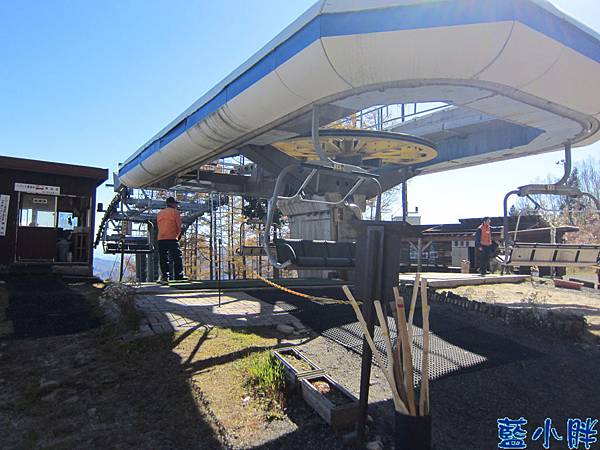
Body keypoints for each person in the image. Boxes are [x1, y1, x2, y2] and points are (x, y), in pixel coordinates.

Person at [157, 196, 184, 284]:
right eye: (175, 204)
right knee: (177, 257)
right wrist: (178, 236)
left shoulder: (160, 213)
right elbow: (179, 226)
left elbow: (159, 226)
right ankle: (178, 276)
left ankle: (165, 276)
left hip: (161, 238)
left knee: (163, 258)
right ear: (172, 204)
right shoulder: (176, 213)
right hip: (172, 238)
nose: (176, 205)